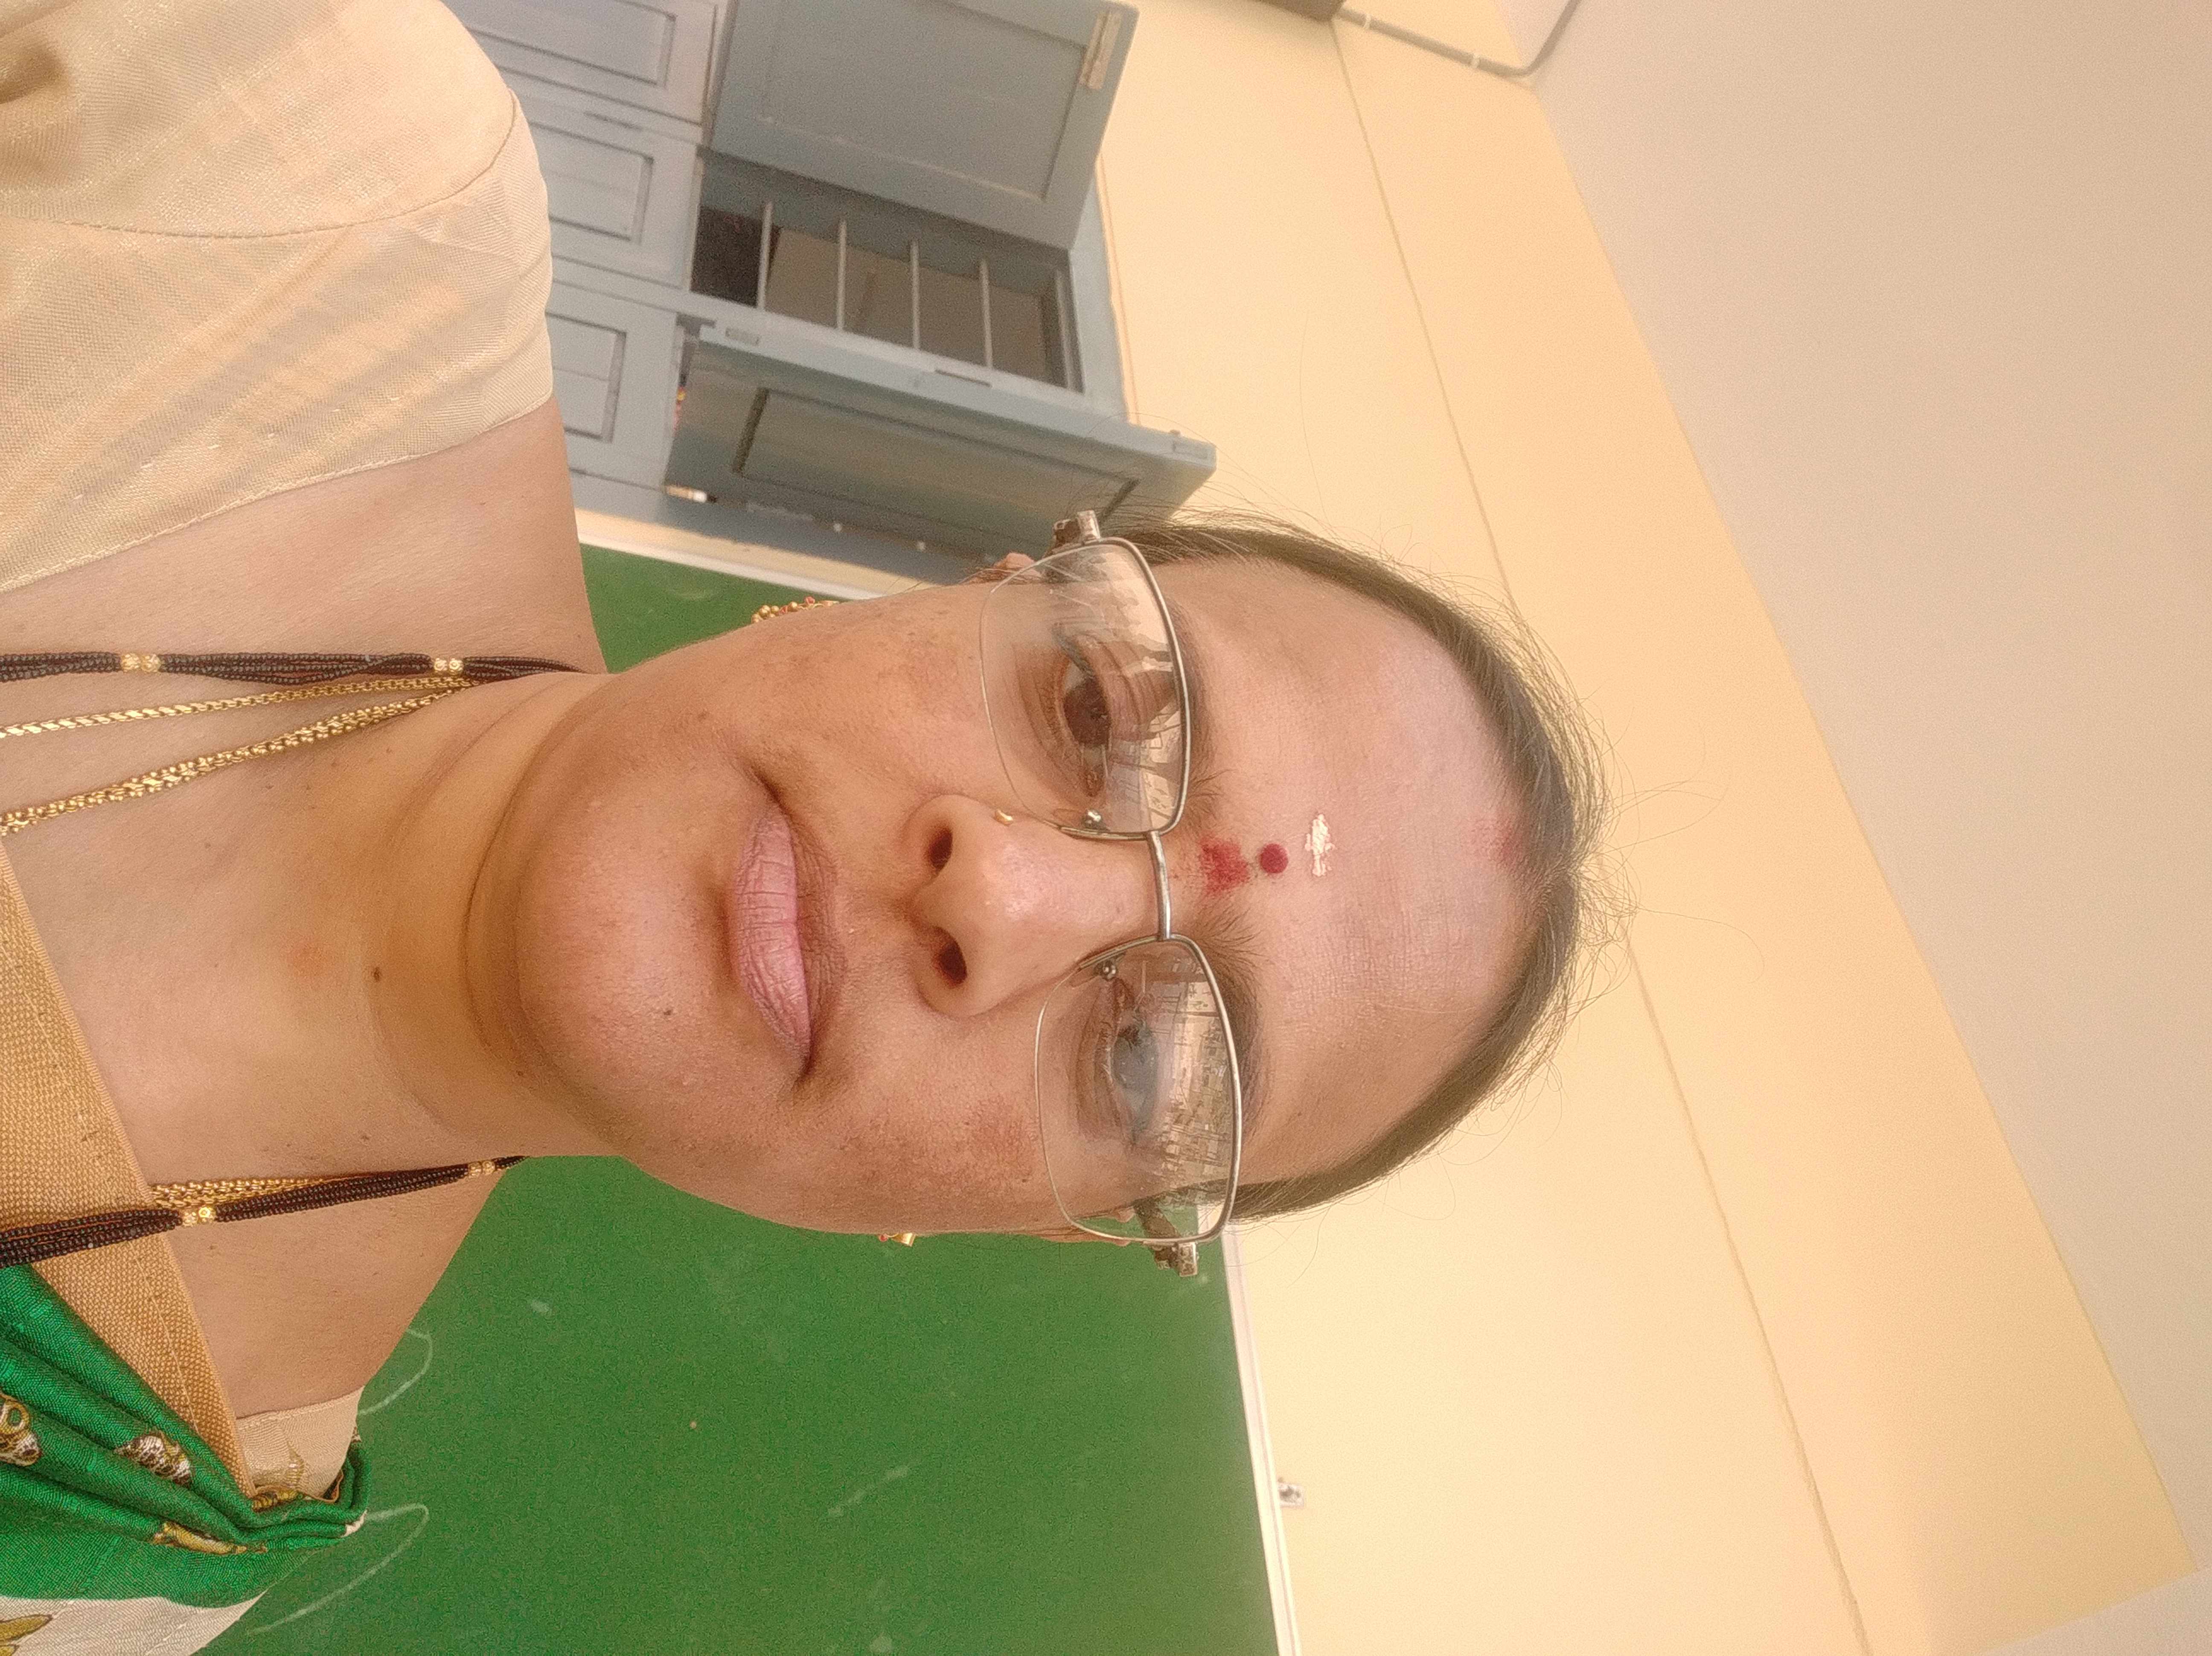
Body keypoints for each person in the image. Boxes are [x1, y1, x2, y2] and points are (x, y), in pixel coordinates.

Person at [0, 0, 1615, 1647]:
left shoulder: (117, 1572)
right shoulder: (283, 156)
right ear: (978, 585)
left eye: (1146, 1068)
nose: (1004, 897)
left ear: (1033, 1226)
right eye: (1092, 706)